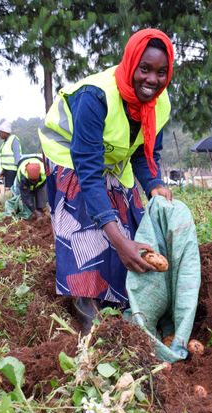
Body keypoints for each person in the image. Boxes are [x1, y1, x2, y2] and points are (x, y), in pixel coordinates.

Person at [38, 28, 174, 332]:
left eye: (161, 72)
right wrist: (118, 240)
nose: (152, 79)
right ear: (130, 64)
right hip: (70, 156)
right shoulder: (95, 96)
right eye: (145, 69)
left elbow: (143, 152)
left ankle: (122, 301)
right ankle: (86, 304)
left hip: (114, 160)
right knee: (86, 222)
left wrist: (154, 184)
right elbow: (87, 170)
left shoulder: (159, 104)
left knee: (132, 227)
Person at [0, 121, 22, 192]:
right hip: (6, 171)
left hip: (12, 171)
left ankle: (11, 202)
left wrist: (18, 170)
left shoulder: (14, 140)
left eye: (0, 133)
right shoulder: (5, 142)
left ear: (5, 132)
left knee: (10, 189)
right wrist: (3, 170)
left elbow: (17, 155)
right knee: (7, 189)